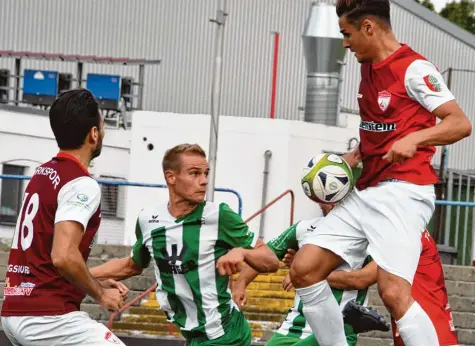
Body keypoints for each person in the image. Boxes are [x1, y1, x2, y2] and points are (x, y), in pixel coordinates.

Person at [288, 0, 472, 345]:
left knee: (393, 293)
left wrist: (417, 138)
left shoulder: (414, 69)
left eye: (347, 33)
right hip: (367, 192)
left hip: (404, 191)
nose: (344, 43)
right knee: (305, 269)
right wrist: (357, 154)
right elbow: (380, 126)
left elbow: (460, 124)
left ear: (368, 27)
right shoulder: (367, 67)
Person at [89, 143, 280, 346]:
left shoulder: (219, 216)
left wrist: (242, 252)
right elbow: (131, 266)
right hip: (192, 337)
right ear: (171, 177)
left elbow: (271, 261)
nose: (204, 181)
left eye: (205, 173)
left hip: (226, 334)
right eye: (194, 174)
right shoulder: (148, 220)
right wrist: (81, 275)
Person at [1, 89, 127, 346]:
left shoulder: (42, 172)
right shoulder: (81, 184)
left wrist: (93, 278)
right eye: (102, 126)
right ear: (93, 134)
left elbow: (46, 258)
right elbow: (63, 256)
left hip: (15, 309)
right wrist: (101, 293)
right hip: (48, 318)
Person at [232, 204, 375, 346]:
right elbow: (265, 253)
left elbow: (361, 280)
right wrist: (240, 284)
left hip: (336, 330)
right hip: (292, 329)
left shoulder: (369, 237)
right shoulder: (304, 228)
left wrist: (302, 273)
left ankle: (349, 326)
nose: (333, 200)